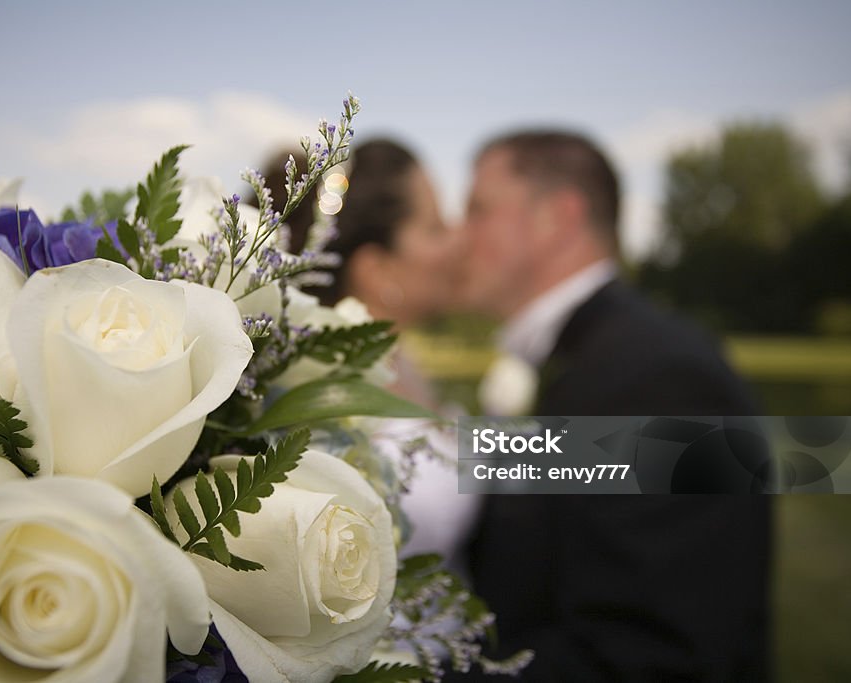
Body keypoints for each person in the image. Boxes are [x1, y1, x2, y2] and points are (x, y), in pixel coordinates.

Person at [457, 130, 771, 681]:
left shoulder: (665, 380)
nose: (462, 236)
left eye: (478, 210)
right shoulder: (580, 360)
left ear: (557, 217)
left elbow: (655, 657)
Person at [255, 139, 477, 561]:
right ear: (377, 271)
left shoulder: (400, 362)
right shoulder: (331, 406)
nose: (458, 240)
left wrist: (625, 452)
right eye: (435, 228)